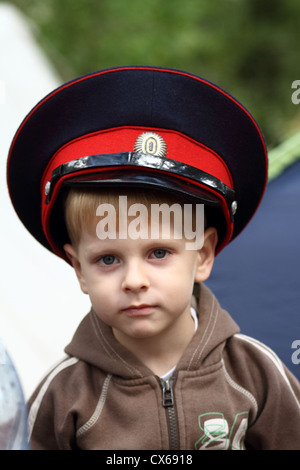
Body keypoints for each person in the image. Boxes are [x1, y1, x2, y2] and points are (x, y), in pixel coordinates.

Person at [7, 66, 300, 450]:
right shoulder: (63, 396)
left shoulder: (256, 374)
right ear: (79, 269)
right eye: (108, 259)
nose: (134, 280)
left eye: (158, 253)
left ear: (203, 255)